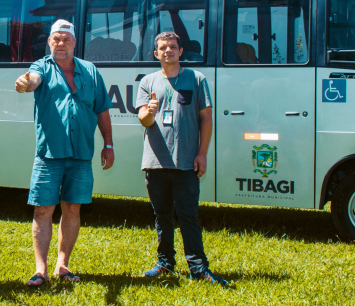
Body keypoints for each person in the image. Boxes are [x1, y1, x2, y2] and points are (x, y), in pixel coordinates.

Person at [14, 19, 114, 286]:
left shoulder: (90, 70)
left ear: (74, 42)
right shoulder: (41, 67)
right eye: (55, 39)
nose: (60, 43)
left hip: (81, 154)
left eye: (65, 39)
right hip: (49, 153)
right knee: (43, 210)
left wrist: (109, 143)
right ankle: (40, 269)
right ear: (49, 42)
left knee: (72, 209)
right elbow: (32, 80)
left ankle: (63, 265)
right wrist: (25, 83)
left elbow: (102, 108)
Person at [136, 31, 227, 286]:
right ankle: (165, 263)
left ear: (180, 51)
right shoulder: (147, 82)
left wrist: (202, 154)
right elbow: (143, 120)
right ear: (156, 54)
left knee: (188, 215)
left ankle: (198, 268)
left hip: (186, 161)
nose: (168, 51)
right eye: (163, 48)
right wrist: (149, 112)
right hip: (155, 162)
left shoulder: (196, 79)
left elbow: (206, 118)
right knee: (162, 216)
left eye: (173, 47)